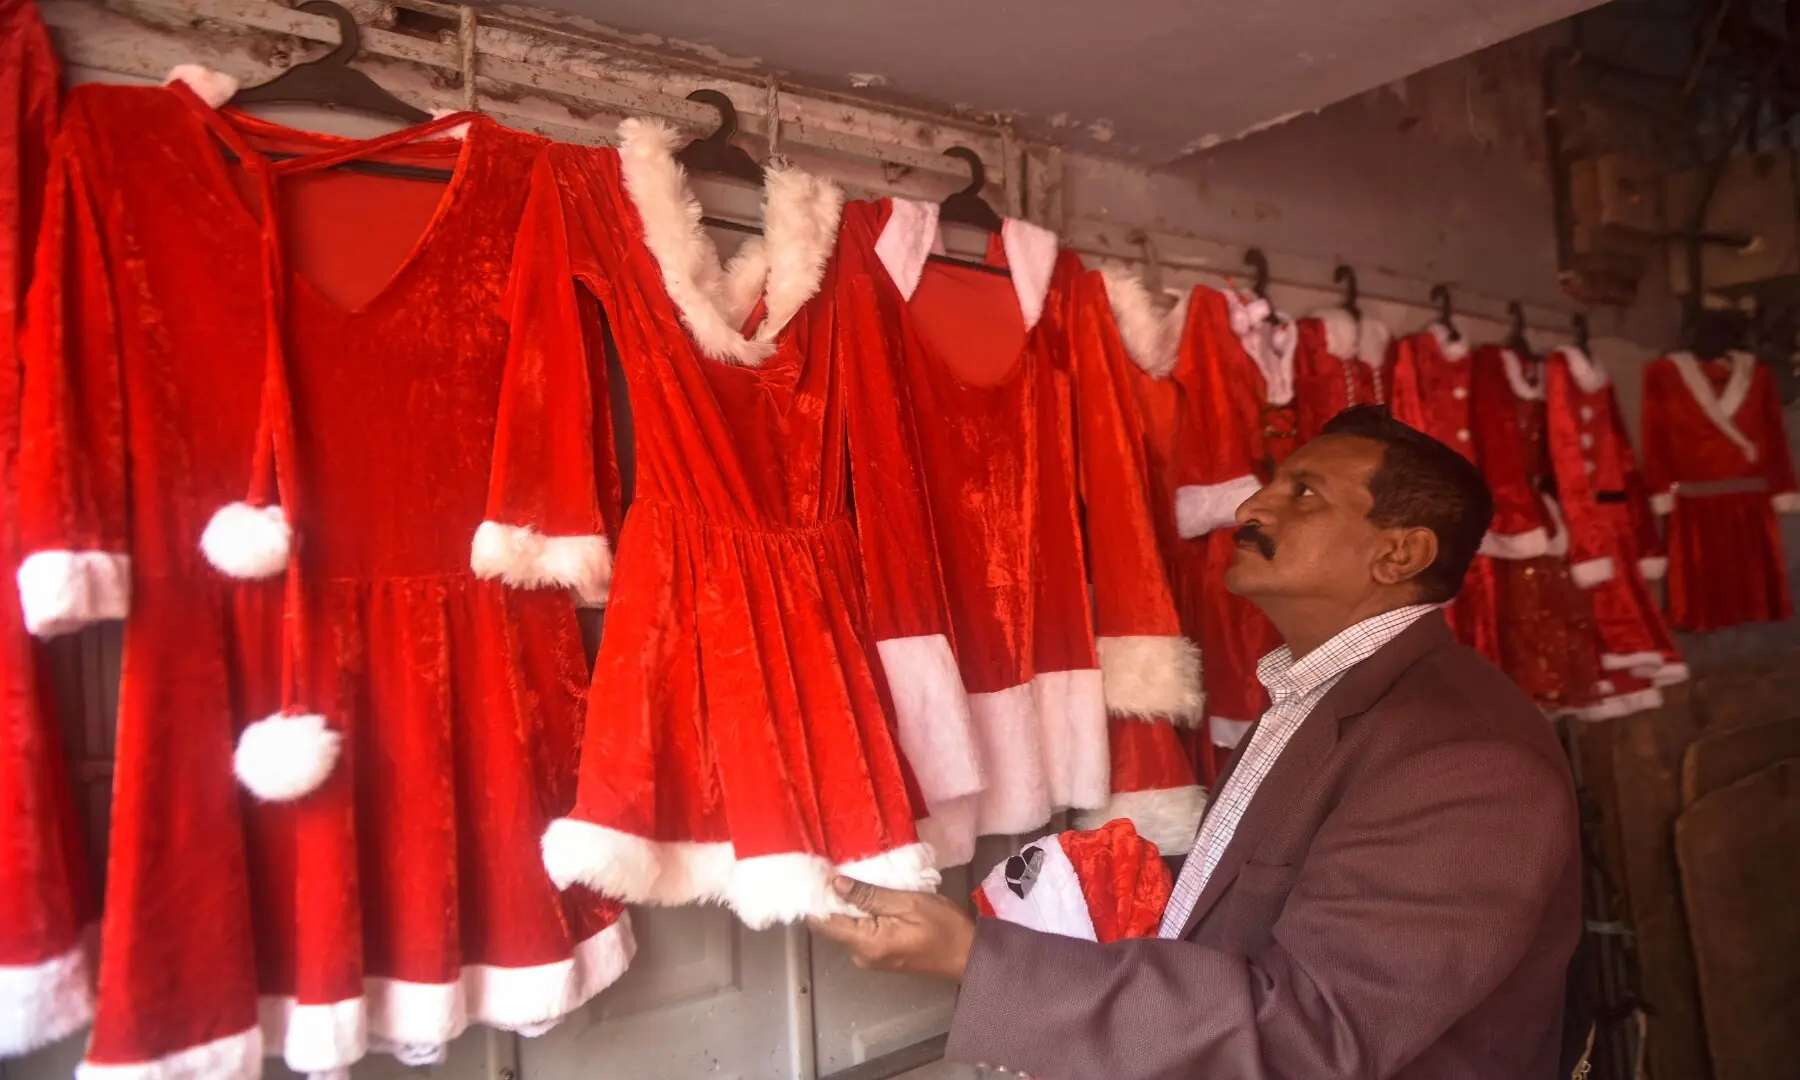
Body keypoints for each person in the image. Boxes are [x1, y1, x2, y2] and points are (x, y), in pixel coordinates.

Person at [810, 404, 1582, 1080]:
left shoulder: (1463, 761)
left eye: (1303, 494)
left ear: (1398, 554)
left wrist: (971, 959)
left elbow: (1316, 1039)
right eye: (1275, 483)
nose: (1254, 504)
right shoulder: (1317, 693)